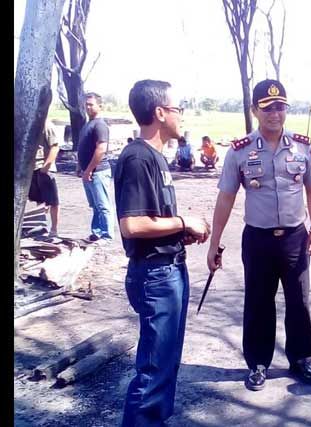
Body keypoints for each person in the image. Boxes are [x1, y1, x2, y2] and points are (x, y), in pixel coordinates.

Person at [207, 79, 311, 391]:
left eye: (280, 106)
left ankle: (300, 361)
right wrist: (214, 242)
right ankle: (258, 364)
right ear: (255, 111)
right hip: (258, 240)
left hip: (294, 238)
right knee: (258, 302)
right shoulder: (239, 151)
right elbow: (226, 198)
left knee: (299, 301)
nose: (275, 113)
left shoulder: (302, 146)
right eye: (268, 107)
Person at [115, 79, 211, 426]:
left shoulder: (155, 157)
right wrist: (184, 219)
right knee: (154, 371)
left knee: (166, 363)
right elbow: (133, 225)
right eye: (177, 109)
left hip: (167, 267)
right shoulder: (139, 157)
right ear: (159, 112)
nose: (180, 116)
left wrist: (180, 232)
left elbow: (153, 222)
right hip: (156, 275)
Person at [77, 92, 115, 241]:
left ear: (100, 106)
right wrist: (80, 167)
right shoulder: (88, 124)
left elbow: (101, 149)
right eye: (86, 104)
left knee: (103, 204)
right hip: (87, 171)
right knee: (95, 205)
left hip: (98, 172)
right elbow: (84, 147)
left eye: (91, 104)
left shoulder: (100, 125)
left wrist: (89, 169)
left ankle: (106, 235)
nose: (88, 107)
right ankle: (97, 231)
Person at [27, 119, 61, 237]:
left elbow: (55, 147)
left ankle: (54, 229)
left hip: (44, 169)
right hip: (32, 169)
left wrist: (46, 167)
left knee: (52, 201)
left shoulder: (47, 125)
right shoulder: (31, 124)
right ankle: (42, 226)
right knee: (39, 201)